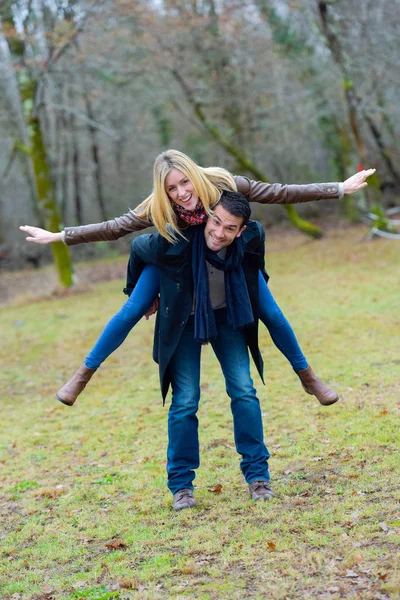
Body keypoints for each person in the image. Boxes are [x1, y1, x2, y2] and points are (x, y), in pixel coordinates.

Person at [19, 150, 375, 407]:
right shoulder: (157, 206)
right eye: (172, 188)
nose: (181, 193)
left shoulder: (223, 183)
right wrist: (60, 236)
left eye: (184, 182)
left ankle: (308, 377)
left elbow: (279, 192)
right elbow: (114, 228)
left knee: (273, 312)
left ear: (193, 174)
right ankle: (82, 376)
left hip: (226, 260)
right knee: (129, 312)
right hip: (173, 262)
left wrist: (338, 188)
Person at [127, 191, 272, 508]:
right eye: (216, 222)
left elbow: (258, 255)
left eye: (230, 228)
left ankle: (258, 476)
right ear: (206, 216)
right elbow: (136, 246)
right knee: (186, 400)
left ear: (240, 231)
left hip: (227, 316)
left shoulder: (248, 238)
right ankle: (181, 485)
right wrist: (137, 290)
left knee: (244, 389)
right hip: (184, 322)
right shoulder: (176, 240)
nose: (220, 233)